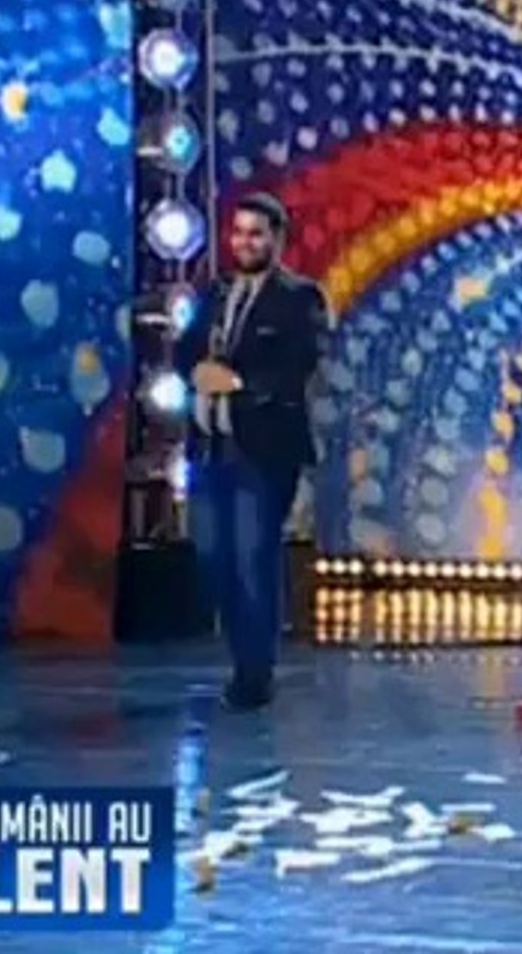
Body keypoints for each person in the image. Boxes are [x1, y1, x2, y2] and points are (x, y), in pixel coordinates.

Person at [176, 192, 330, 711]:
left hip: (263, 452)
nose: (245, 242)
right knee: (212, 557)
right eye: (238, 232)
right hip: (210, 446)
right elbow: (185, 349)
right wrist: (195, 370)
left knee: (252, 558)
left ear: (276, 239)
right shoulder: (217, 292)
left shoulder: (299, 297)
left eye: (256, 234)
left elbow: (299, 364)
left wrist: (239, 383)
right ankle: (243, 656)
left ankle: (254, 673)